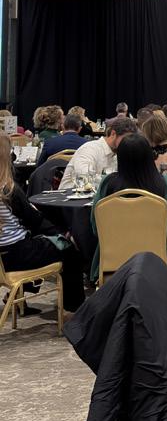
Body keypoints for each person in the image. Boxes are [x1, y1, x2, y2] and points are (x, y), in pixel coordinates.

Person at [0, 133, 85, 315]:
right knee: (69, 250)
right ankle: (74, 312)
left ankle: (18, 298)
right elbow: (35, 221)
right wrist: (61, 235)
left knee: (41, 242)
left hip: (5, 255)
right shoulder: (8, 190)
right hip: (17, 254)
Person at [88, 133, 167, 282]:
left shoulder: (107, 185)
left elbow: (96, 226)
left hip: (114, 261)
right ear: (150, 156)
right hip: (162, 259)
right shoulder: (166, 184)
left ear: (120, 158)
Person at [59, 116, 138, 190]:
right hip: (71, 195)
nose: (127, 143)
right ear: (113, 134)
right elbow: (85, 178)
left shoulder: (119, 152)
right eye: (125, 139)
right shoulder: (90, 149)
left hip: (97, 195)